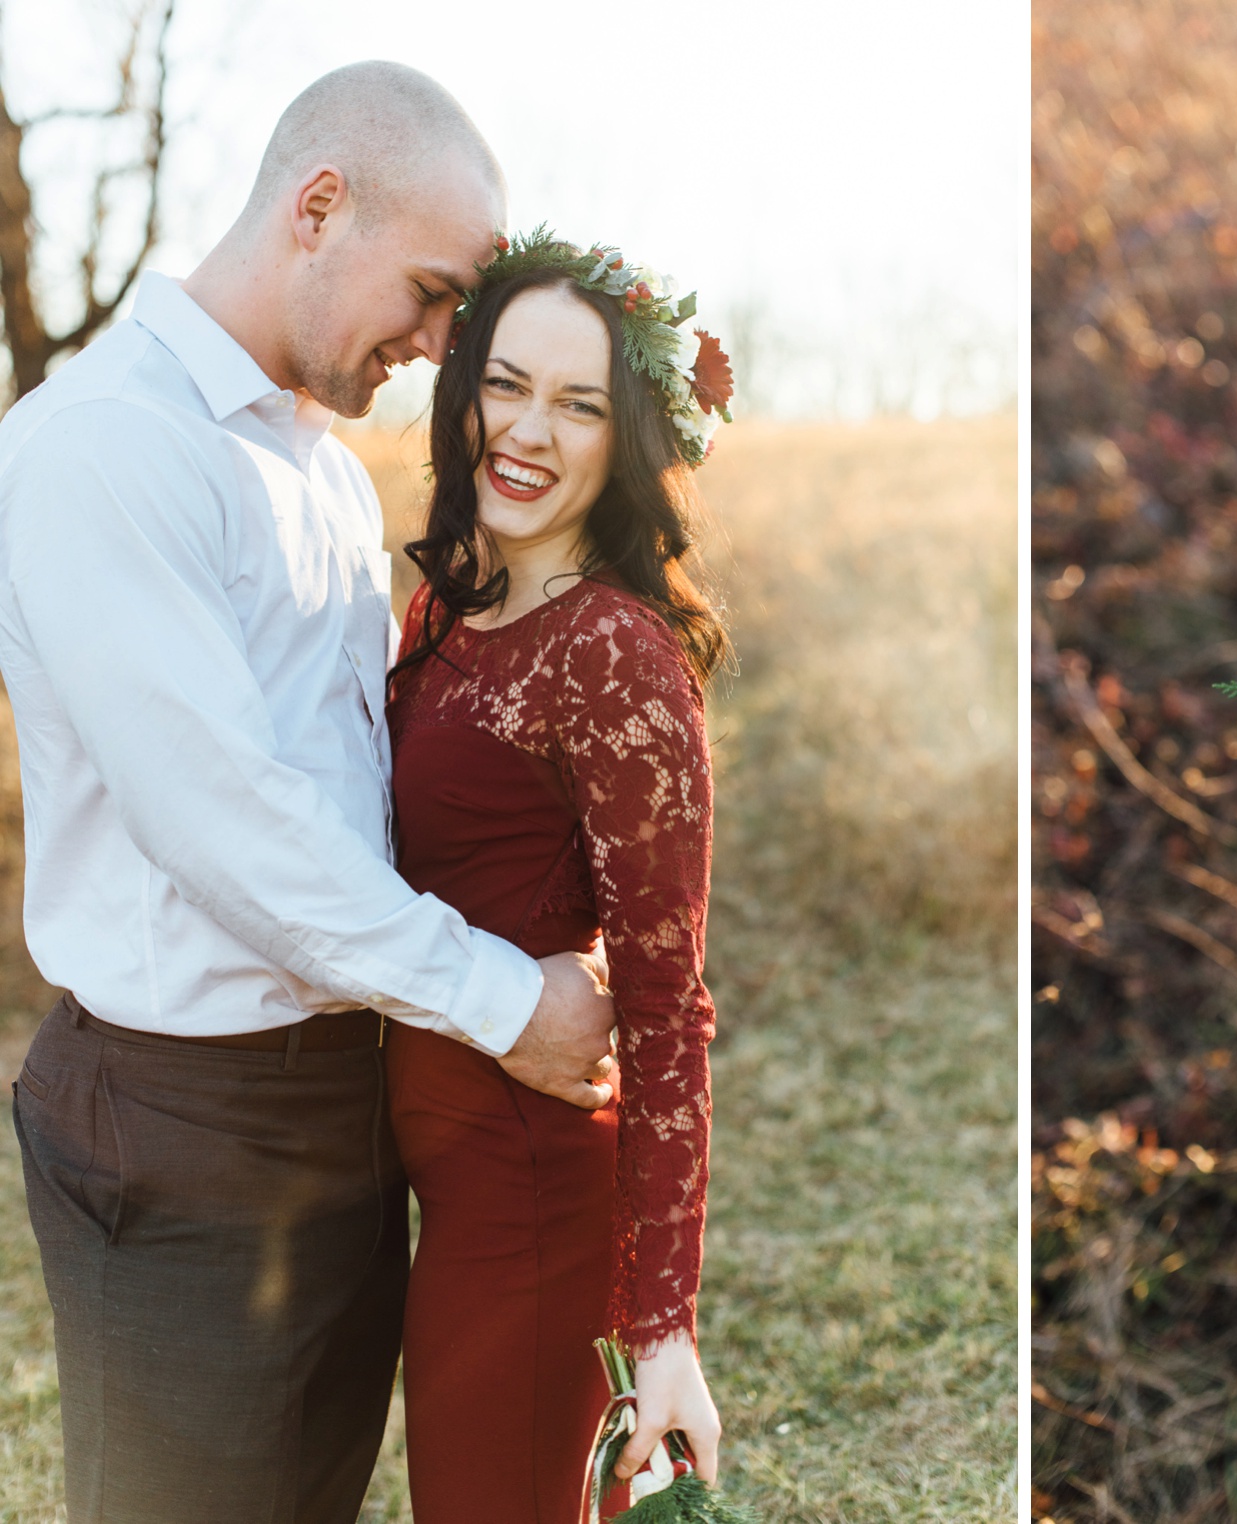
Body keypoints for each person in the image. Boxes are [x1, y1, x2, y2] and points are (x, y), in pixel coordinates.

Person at [0, 64, 618, 1524]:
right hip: (181, 1109)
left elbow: (366, 786)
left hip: (346, 1090)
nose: (443, 342)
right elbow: (225, 825)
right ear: (317, 208)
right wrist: (502, 1001)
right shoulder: (101, 447)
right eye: (432, 292)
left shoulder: (326, 474)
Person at [382, 235, 732, 1522]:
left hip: (525, 1202)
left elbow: (664, 1008)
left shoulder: (613, 658)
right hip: (428, 1169)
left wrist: (660, 1333)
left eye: (578, 405)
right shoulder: (447, 609)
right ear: (462, 388)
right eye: (507, 384)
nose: (528, 431)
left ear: (626, 437)